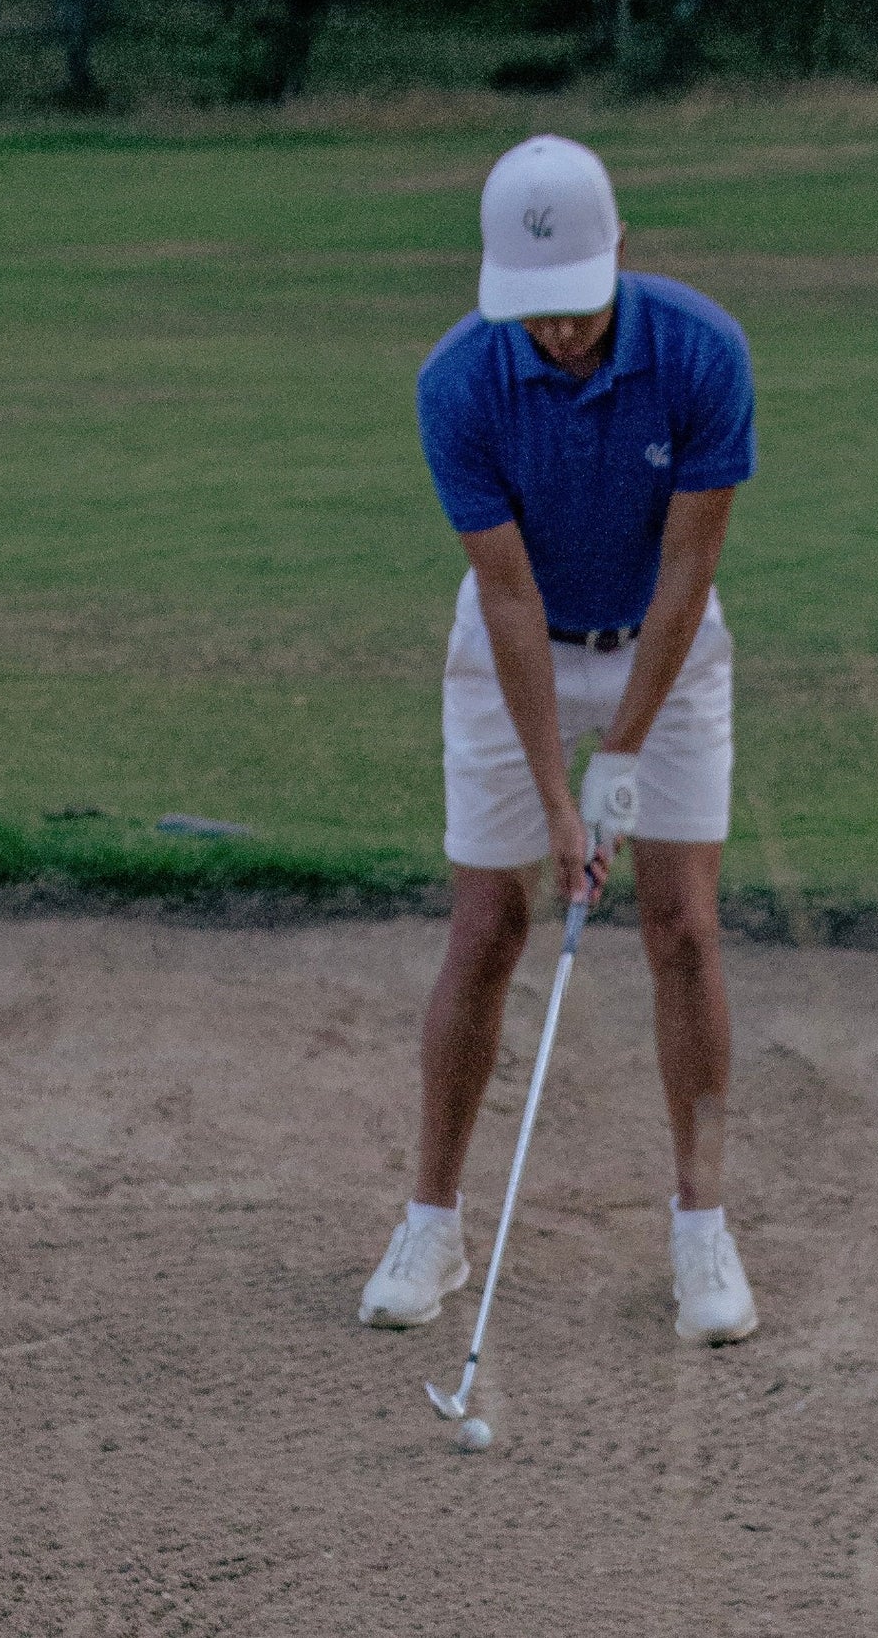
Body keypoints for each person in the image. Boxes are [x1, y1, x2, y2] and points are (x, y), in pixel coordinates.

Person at [360, 134, 760, 1346]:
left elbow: (689, 568)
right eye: (534, 315)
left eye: (578, 309)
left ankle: (701, 1231)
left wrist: (623, 755)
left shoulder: (701, 354)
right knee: (487, 924)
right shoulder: (457, 384)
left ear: (619, 255)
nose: (560, 335)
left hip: (664, 648)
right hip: (513, 655)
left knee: (681, 925)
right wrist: (559, 799)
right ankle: (432, 1221)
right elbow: (511, 602)